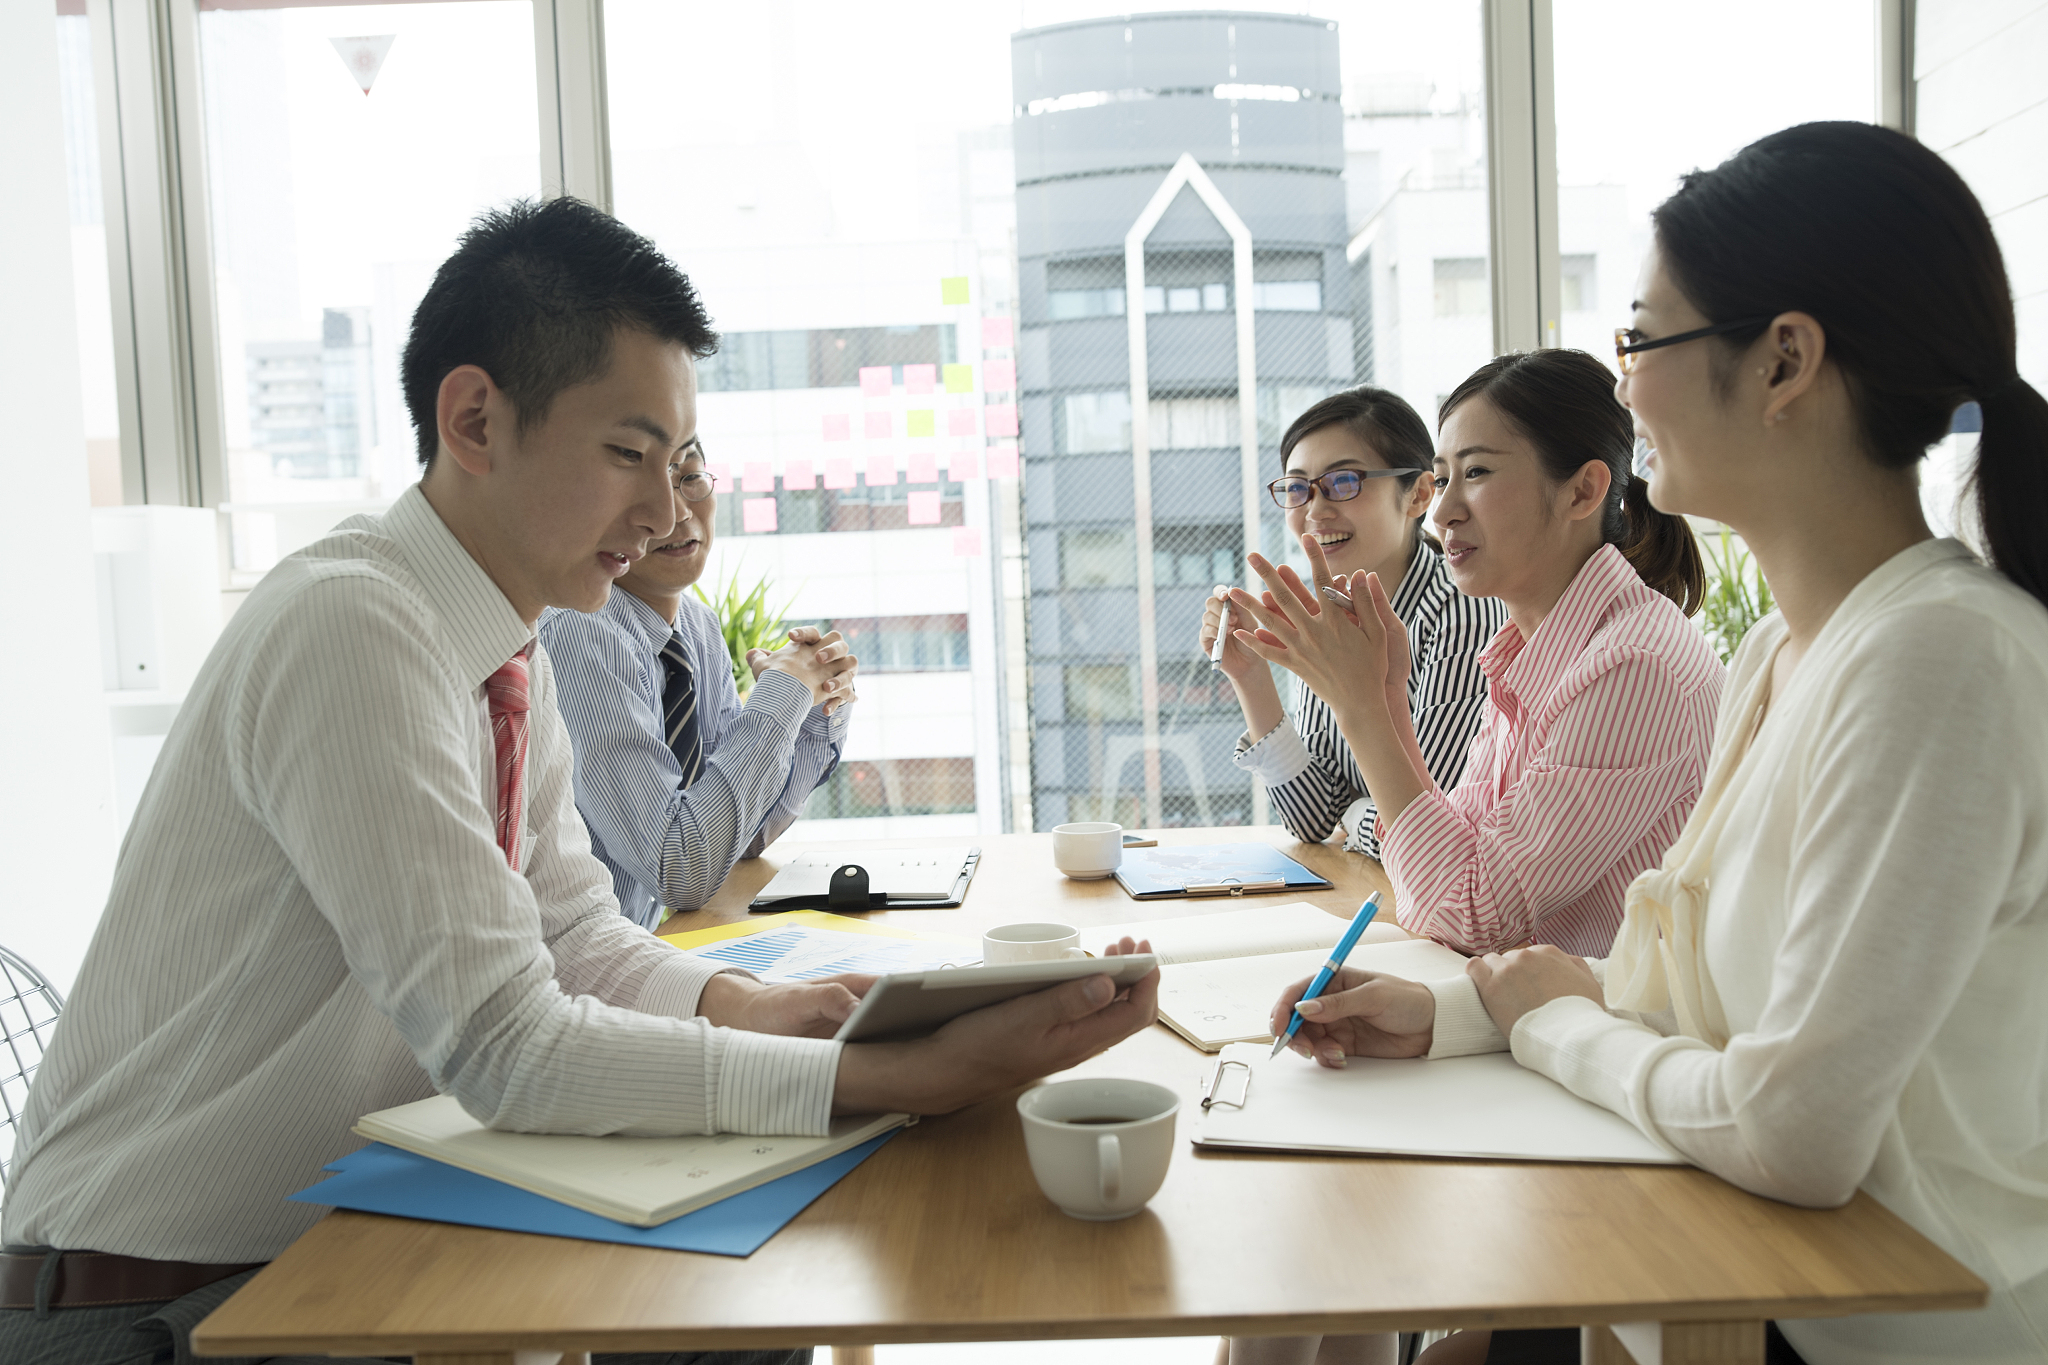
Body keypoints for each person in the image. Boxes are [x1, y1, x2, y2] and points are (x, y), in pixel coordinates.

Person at [0, 198, 1158, 1365]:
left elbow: (576, 939)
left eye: (678, 462)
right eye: (627, 453)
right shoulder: (349, 629)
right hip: (141, 1308)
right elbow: (506, 1044)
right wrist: (883, 1074)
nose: (664, 512)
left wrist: (756, 1009)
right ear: (474, 420)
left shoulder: (503, 646)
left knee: (736, 1313)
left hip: (330, 1244)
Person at [1268, 121, 2048, 1365]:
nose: (1622, 383)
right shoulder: (1777, 657)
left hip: (1876, 1319)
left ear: (1783, 360)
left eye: (1641, 339)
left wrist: (1537, 1025)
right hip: (1729, 1263)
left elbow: (1790, 1129)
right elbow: (1651, 1000)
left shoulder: (1937, 660)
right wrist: (1455, 1017)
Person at [1224, 350, 1723, 957]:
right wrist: (1382, 693)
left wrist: (1364, 706)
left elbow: (1468, 913)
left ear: (1583, 490)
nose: (1444, 509)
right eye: (1445, 475)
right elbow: (1452, 859)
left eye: (1478, 473)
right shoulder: (1528, 647)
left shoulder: (1634, 667)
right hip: (1534, 1008)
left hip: (1616, 1034)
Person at [539, 437, 853, 931]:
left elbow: (741, 838)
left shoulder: (697, 627)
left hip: (643, 948)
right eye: (648, 487)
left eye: (690, 476)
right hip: (574, 974)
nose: (678, 513)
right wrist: (784, 692)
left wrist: (813, 708)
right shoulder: (583, 631)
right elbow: (681, 868)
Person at [1202, 388, 1504, 859]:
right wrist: (1251, 676)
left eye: (1344, 482)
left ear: (1419, 495)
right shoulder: (1328, 613)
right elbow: (1312, 818)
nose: (1315, 511)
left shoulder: (1462, 612)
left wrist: (1352, 816)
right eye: (1298, 487)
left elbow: (1432, 827)